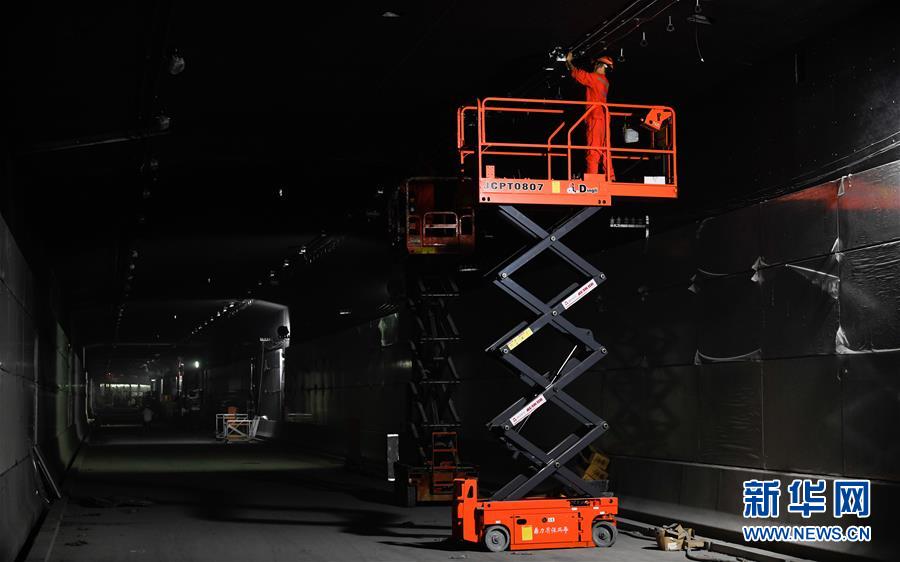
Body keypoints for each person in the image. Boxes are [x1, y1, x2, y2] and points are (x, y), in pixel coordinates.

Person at [566, 52, 616, 180]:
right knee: (605, 149)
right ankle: (610, 177)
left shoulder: (595, 78)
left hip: (595, 117)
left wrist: (569, 62)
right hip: (604, 118)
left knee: (593, 149)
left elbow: (578, 75)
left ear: (601, 66)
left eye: (596, 65)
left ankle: (592, 180)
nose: (594, 67)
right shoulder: (605, 81)